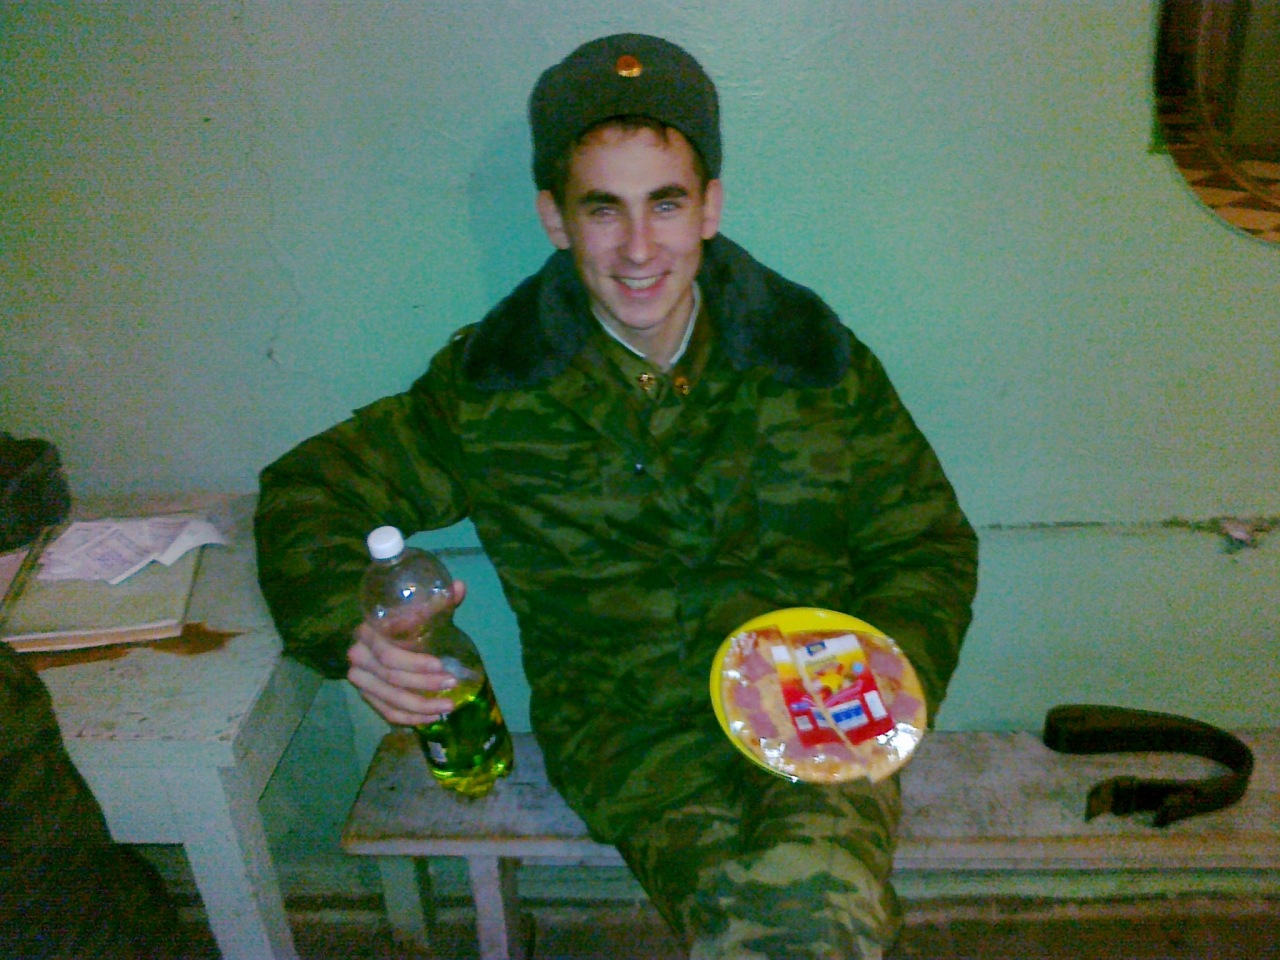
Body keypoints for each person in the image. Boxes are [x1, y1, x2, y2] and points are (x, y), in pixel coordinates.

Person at [255, 33, 978, 960]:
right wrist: (354, 633)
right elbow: (308, 490)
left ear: (709, 206)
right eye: (604, 209)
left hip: (819, 702)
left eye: (665, 203)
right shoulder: (495, 389)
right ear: (555, 219)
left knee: (808, 909)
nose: (639, 249)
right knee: (790, 924)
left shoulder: (809, 360)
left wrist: (881, 686)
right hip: (636, 738)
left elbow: (926, 543)